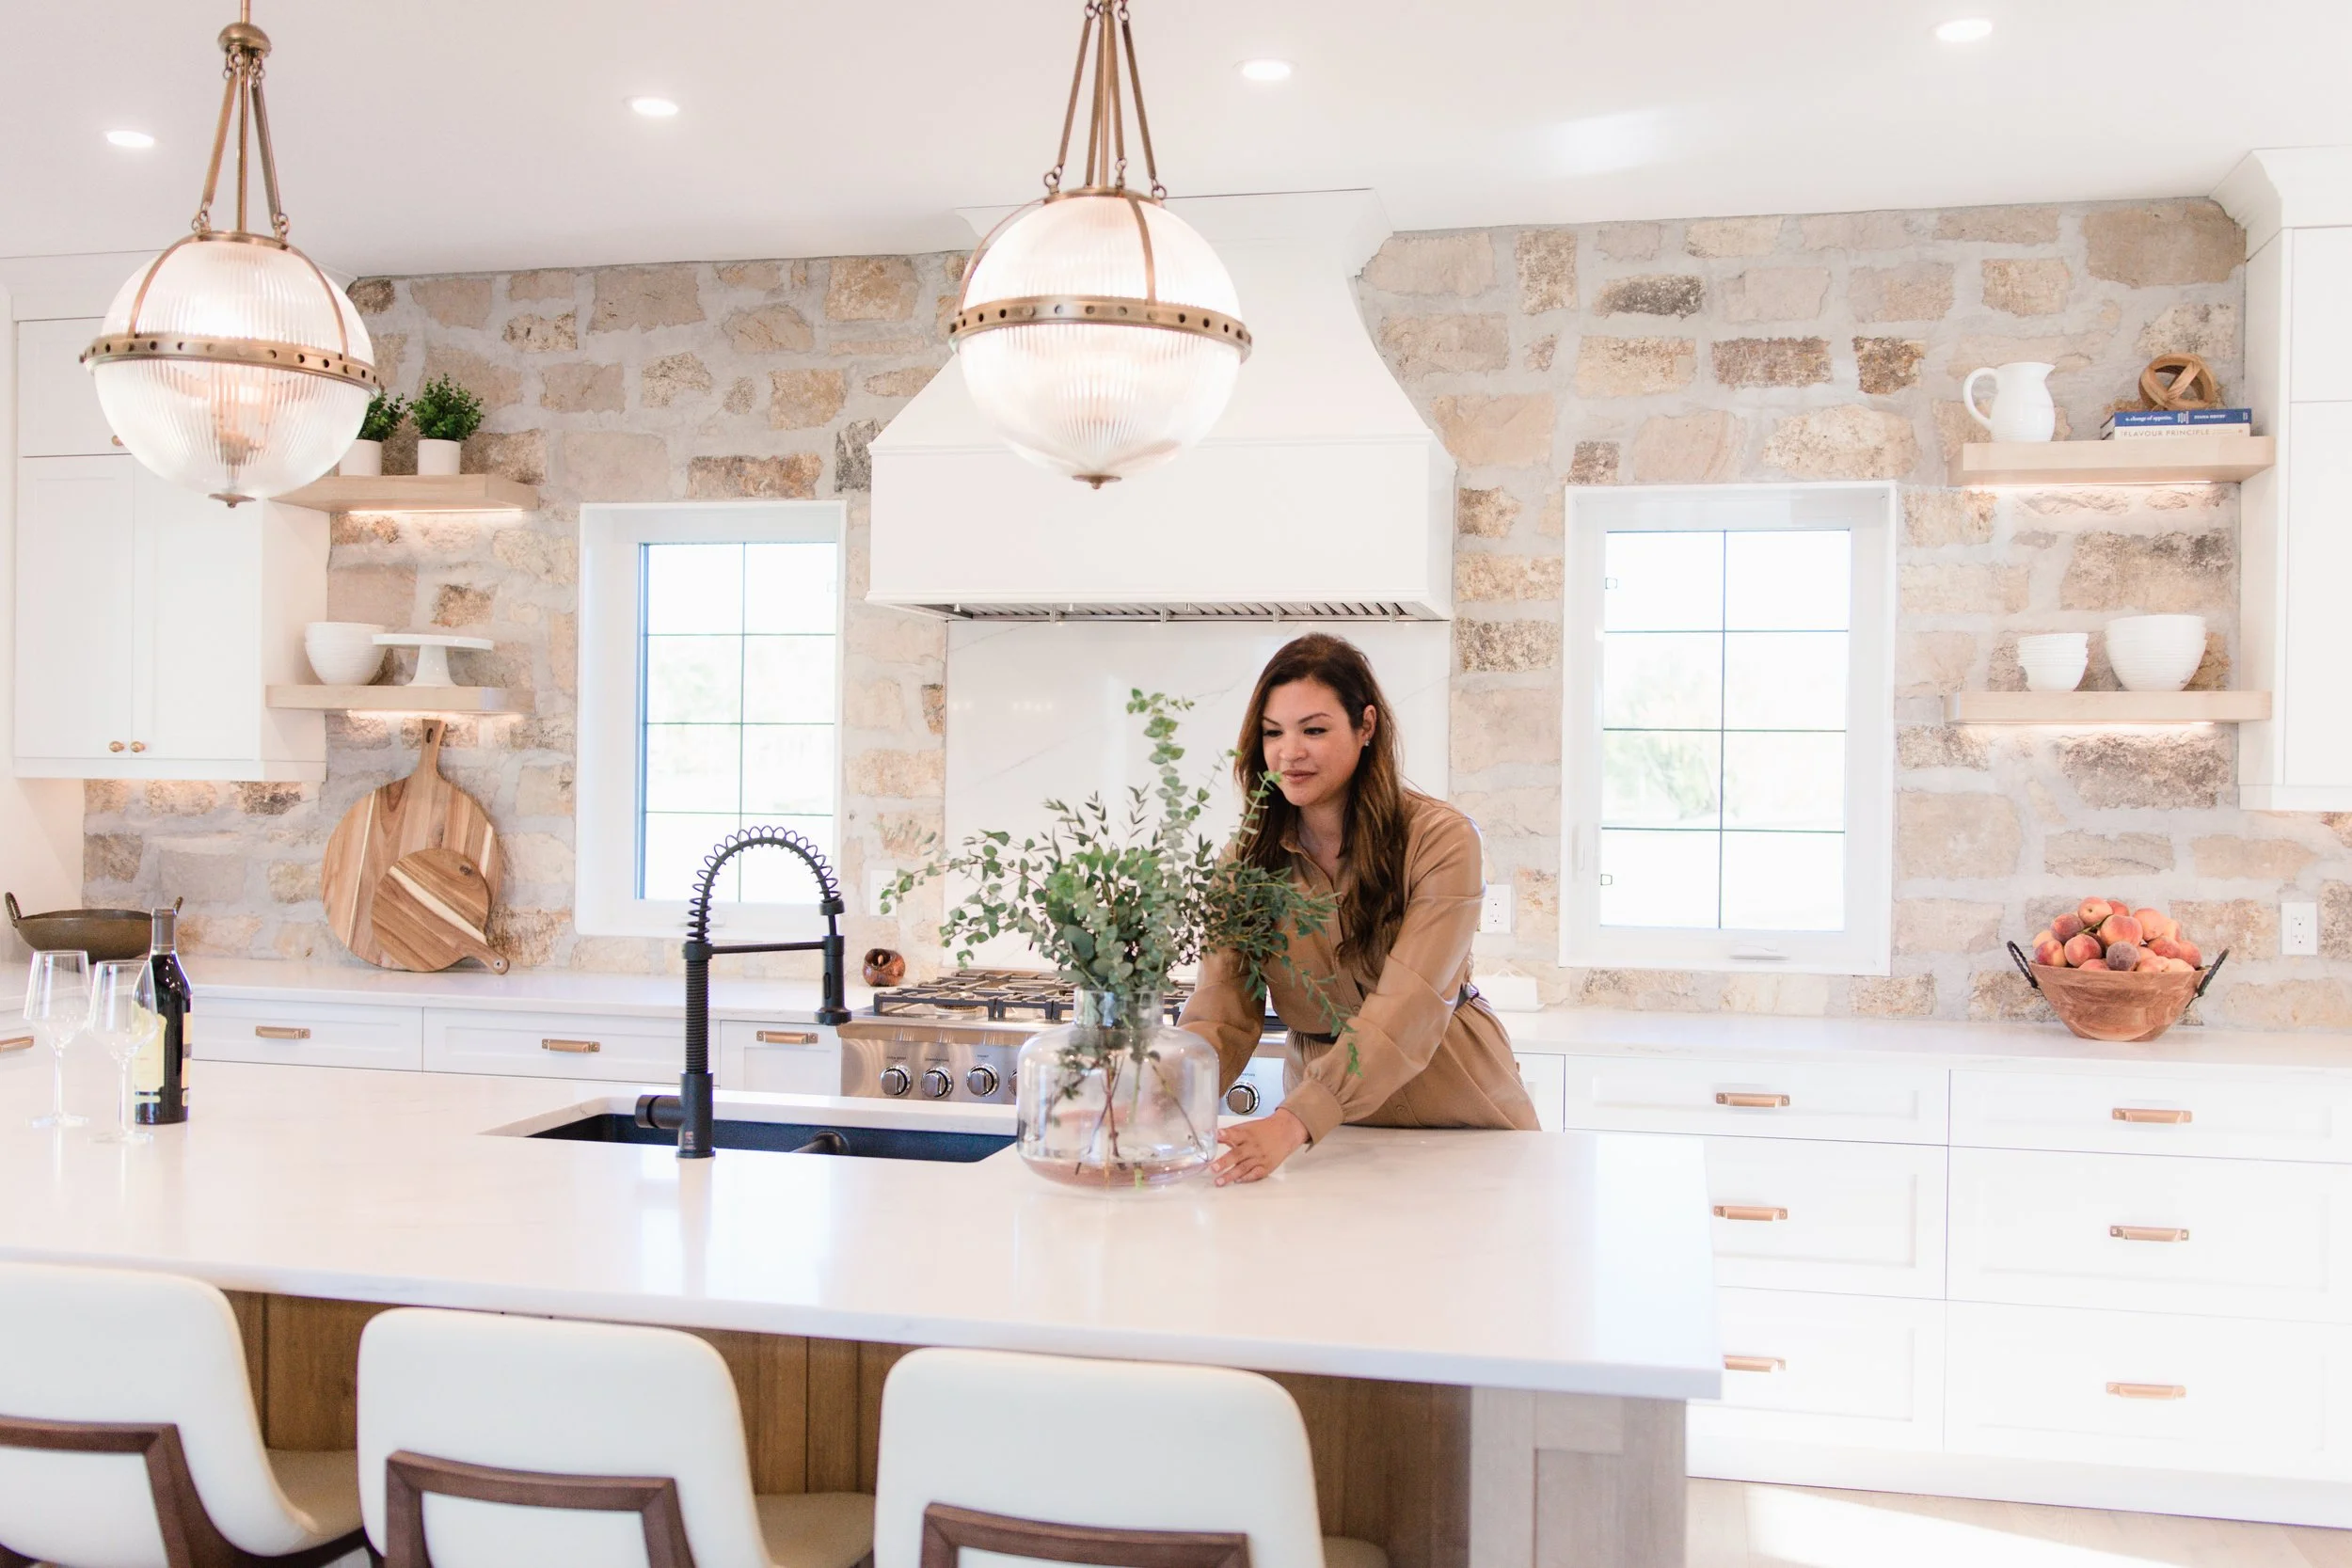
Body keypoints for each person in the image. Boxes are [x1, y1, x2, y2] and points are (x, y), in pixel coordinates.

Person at [1180, 633, 1540, 1184]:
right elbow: (1221, 1010)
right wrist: (1163, 1096)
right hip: (1334, 1136)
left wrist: (1296, 1118)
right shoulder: (1245, 859)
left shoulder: (1440, 839)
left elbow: (1410, 1004)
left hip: (1464, 1119)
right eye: (1273, 733)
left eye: (1314, 730)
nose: (1289, 752)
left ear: (1366, 726)